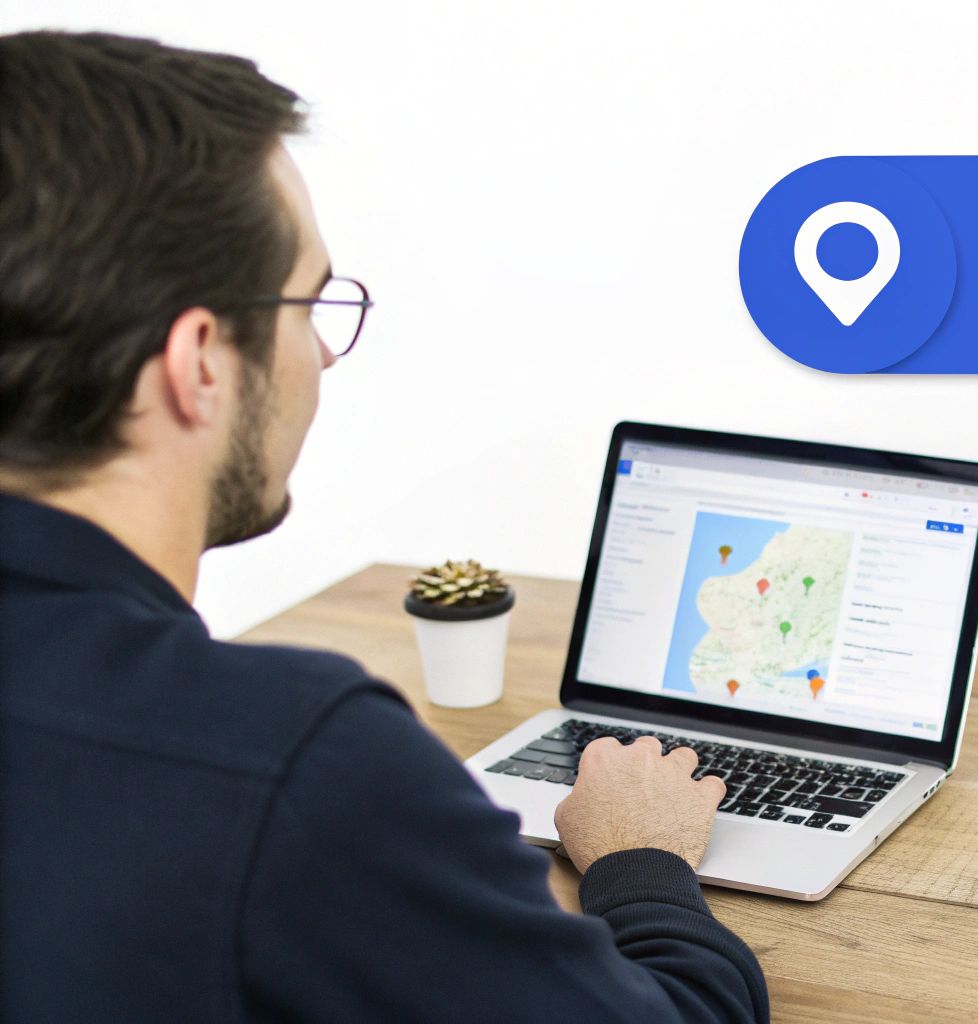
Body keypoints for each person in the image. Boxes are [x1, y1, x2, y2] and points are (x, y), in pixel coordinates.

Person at [0, 30, 765, 1022]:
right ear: (198, 361)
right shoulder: (292, 764)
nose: (321, 351)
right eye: (306, 301)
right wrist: (641, 860)